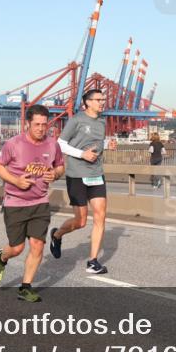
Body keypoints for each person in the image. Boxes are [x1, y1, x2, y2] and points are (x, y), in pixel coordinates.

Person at [0, 105, 65, 302]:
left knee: (38, 245)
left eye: (44, 124)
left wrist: (54, 174)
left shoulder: (52, 144)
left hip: (40, 202)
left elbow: (60, 166)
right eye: (37, 124)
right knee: (16, 248)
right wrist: (16, 181)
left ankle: (25, 287)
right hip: (15, 202)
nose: (41, 128)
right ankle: (2, 257)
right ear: (28, 124)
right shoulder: (14, 144)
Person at [50, 89, 110, 274]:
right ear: (88, 102)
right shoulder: (76, 120)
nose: (102, 102)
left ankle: (93, 261)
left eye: (103, 99)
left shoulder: (102, 121)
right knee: (81, 221)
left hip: (96, 173)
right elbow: (60, 143)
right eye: (98, 99)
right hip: (77, 175)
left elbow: (97, 142)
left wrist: (108, 145)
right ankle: (57, 235)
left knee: (100, 216)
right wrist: (81, 154)